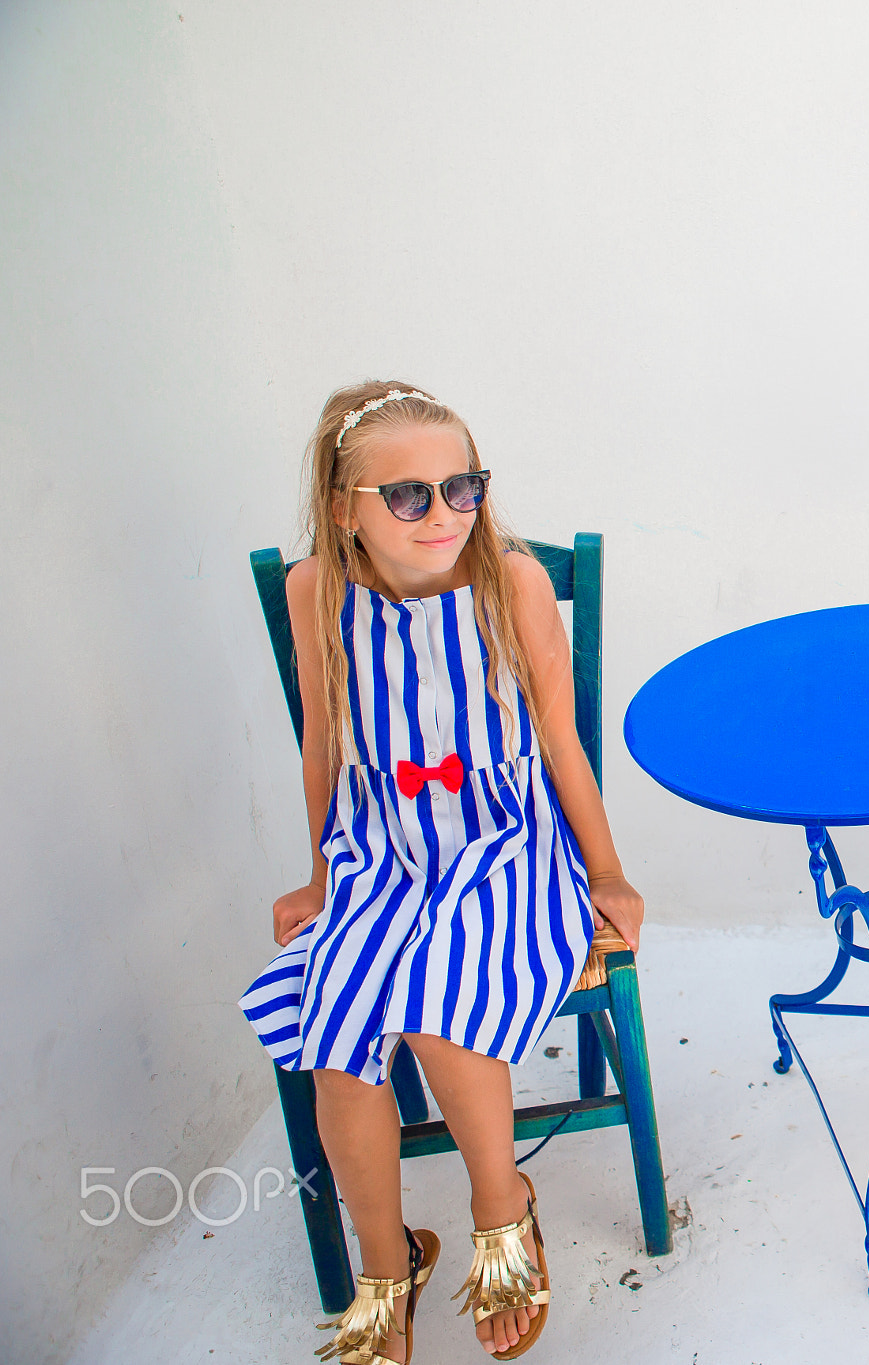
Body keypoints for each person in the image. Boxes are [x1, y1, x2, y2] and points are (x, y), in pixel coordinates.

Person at [239, 383, 644, 1362]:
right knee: (337, 1029)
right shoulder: (316, 593)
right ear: (346, 509)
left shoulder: (509, 583)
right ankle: (390, 1260)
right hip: (379, 851)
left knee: (434, 997)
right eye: (409, 496)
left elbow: (557, 738)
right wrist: (320, 874)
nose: (444, 515)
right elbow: (323, 747)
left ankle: (500, 1200)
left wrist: (609, 872)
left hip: (503, 844)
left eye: (461, 487)